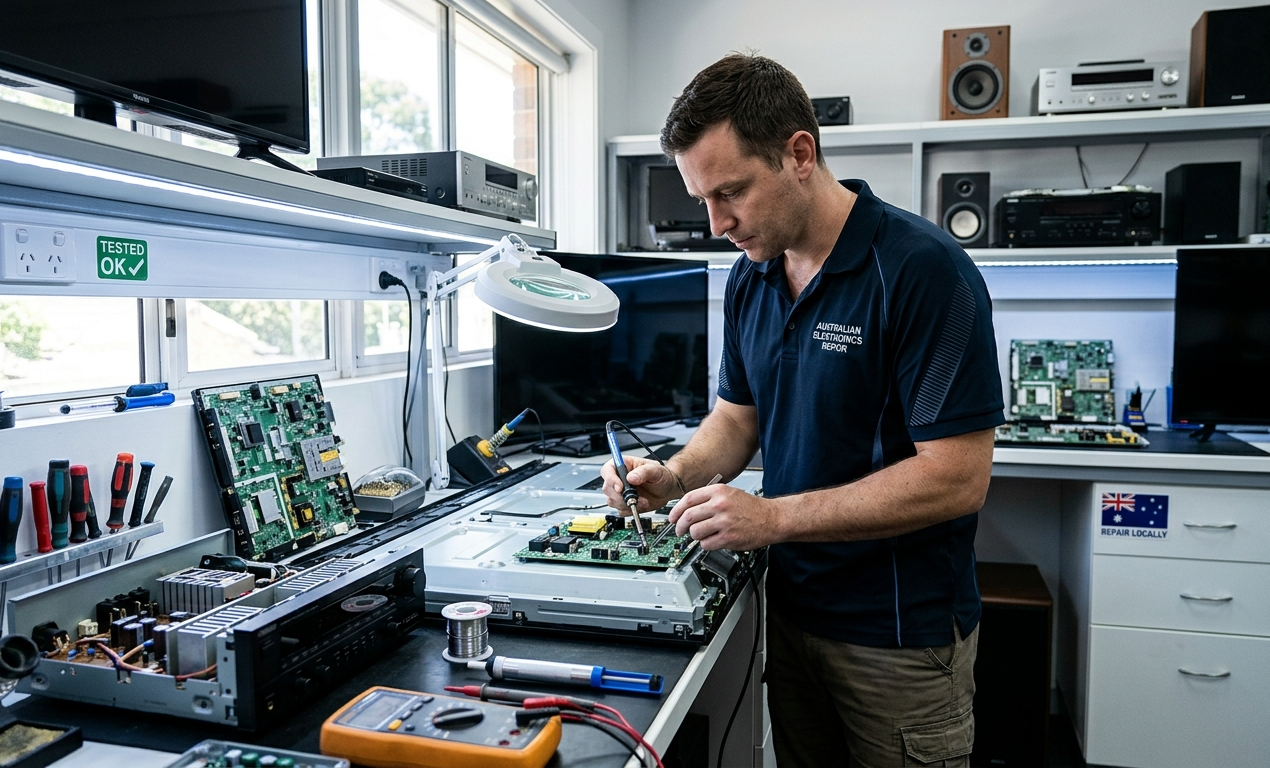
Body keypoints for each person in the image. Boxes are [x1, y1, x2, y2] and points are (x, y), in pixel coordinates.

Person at [601, 53, 1005, 768]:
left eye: (731, 192)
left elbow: (957, 477)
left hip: (899, 641)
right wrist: (674, 475)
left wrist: (774, 518)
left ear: (799, 154)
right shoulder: (750, 276)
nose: (717, 222)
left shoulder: (924, 271)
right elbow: (737, 418)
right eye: (702, 200)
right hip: (791, 616)